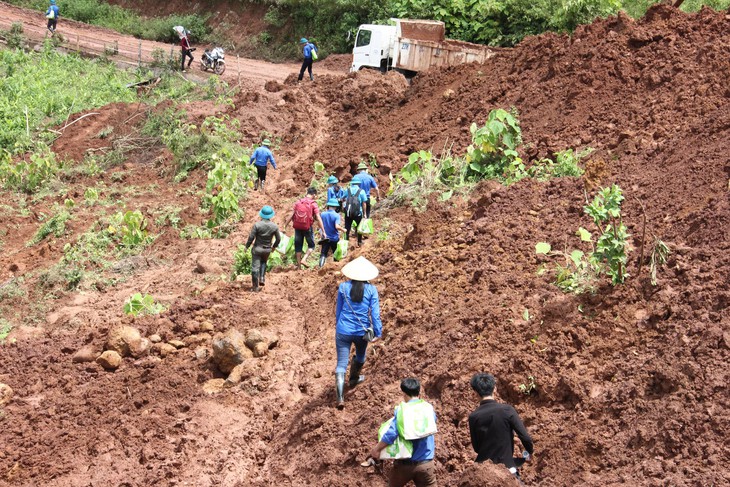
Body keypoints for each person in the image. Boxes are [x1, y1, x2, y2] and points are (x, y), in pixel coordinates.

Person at [370, 378, 437, 487]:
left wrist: (376, 449)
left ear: (404, 393)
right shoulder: (429, 409)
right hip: (426, 464)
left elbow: (391, 434)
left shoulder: (402, 411)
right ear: (418, 392)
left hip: (405, 466)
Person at [334, 256, 382, 409]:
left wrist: (339, 326)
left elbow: (338, 311)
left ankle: (340, 398)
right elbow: (375, 314)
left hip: (343, 330)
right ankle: (353, 379)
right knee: (361, 355)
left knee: (341, 363)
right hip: (362, 332)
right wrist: (377, 332)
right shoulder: (372, 290)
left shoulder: (343, 287)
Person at [468, 373, 534, 480]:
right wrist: (529, 452)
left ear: (475, 393)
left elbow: (476, 448)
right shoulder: (507, 410)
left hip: (483, 472)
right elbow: (525, 437)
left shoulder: (473, 417)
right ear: (494, 388)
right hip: (507, 468)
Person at [285, 187, 325, 269]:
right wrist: (323, 231)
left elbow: (291, 215)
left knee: (298, 246)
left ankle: (299, 266)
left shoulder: (298, 202)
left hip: (297, 228)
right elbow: (318, 217)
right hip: (307, 228)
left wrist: (285, 226)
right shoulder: (313, 204)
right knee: (311, 246)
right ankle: (304, 259)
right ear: (314, 194)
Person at [244, 205, 281, 292]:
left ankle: (255, 287)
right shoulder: (274, 226)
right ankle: (262, 278)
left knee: (255, 268)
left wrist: (247, 246)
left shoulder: (257, 225)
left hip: (257, 249)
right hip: (267, 249)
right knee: (264, 262)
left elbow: (251, 237)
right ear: (271, 216)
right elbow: (278, 239)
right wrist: (274, 247)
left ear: (261, 215)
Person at [319, 198, 346, 268]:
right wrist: (343, 229)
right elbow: (336, 226)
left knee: (323, 253)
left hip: (325, 238)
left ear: (329, 206)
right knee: (336, 253)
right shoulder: (336, 215)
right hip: (334, 238)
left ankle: (320, 267)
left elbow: (320, 225)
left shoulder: (323, 214)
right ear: (335, 207)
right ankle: (336, 268)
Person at [342, 177, 367, 248]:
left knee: (347, 227)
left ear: (352, 183)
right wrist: (364, 214)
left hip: (348, 213)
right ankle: (359, 242)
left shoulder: (347, 190)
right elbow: (364, 203)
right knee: (359, 227)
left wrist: (344, 208)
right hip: (358, 213)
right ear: (358, 183)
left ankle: (345, 243)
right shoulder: (361, 191)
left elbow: (343, 198)